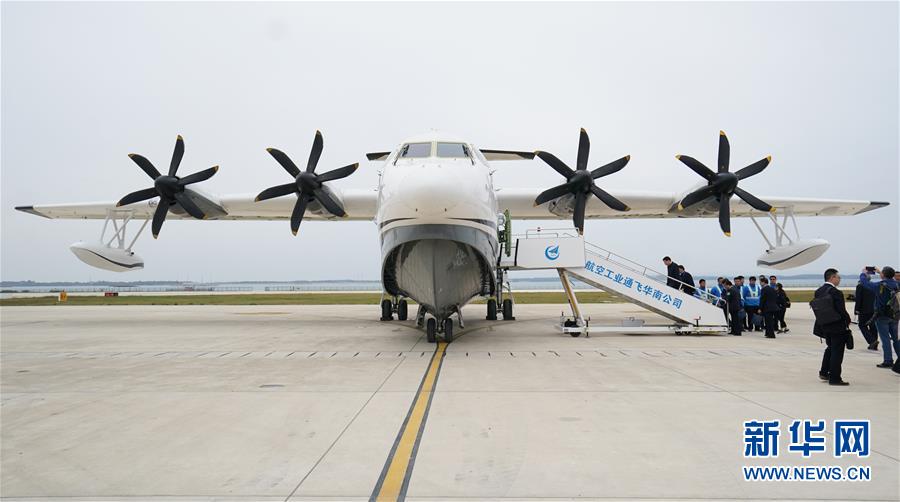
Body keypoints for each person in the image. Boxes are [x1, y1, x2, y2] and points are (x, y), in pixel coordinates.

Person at [813, 268, 852, 386]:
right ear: (832, 277)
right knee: (837, 352)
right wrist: (847, 320)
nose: (839, 280)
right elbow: (841, 310)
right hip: (837, 326)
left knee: (830, 348)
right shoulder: (836, 292)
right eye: (838, 277)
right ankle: (835, 378)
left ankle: (824, 372)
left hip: (824, 325)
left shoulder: (819, 291)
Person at [857, 266, 899, 369]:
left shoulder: (880, 285)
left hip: (882, 315)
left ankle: (888, 361)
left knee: (885, 339)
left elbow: (865, 283)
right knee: (895, 339)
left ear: (883, 275)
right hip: (895, 314)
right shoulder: (896, 284)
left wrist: (863, 273)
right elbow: (889, 279)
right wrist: (881, 272)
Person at [854, 271, 878, 351]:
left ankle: (872, 341)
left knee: (862, 325)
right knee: (873, 326)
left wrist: (856, 309)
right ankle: (874, 345)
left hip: (863, 310)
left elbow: (858, 299)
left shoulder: (860, 286)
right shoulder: (873, 286)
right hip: (874, 309)